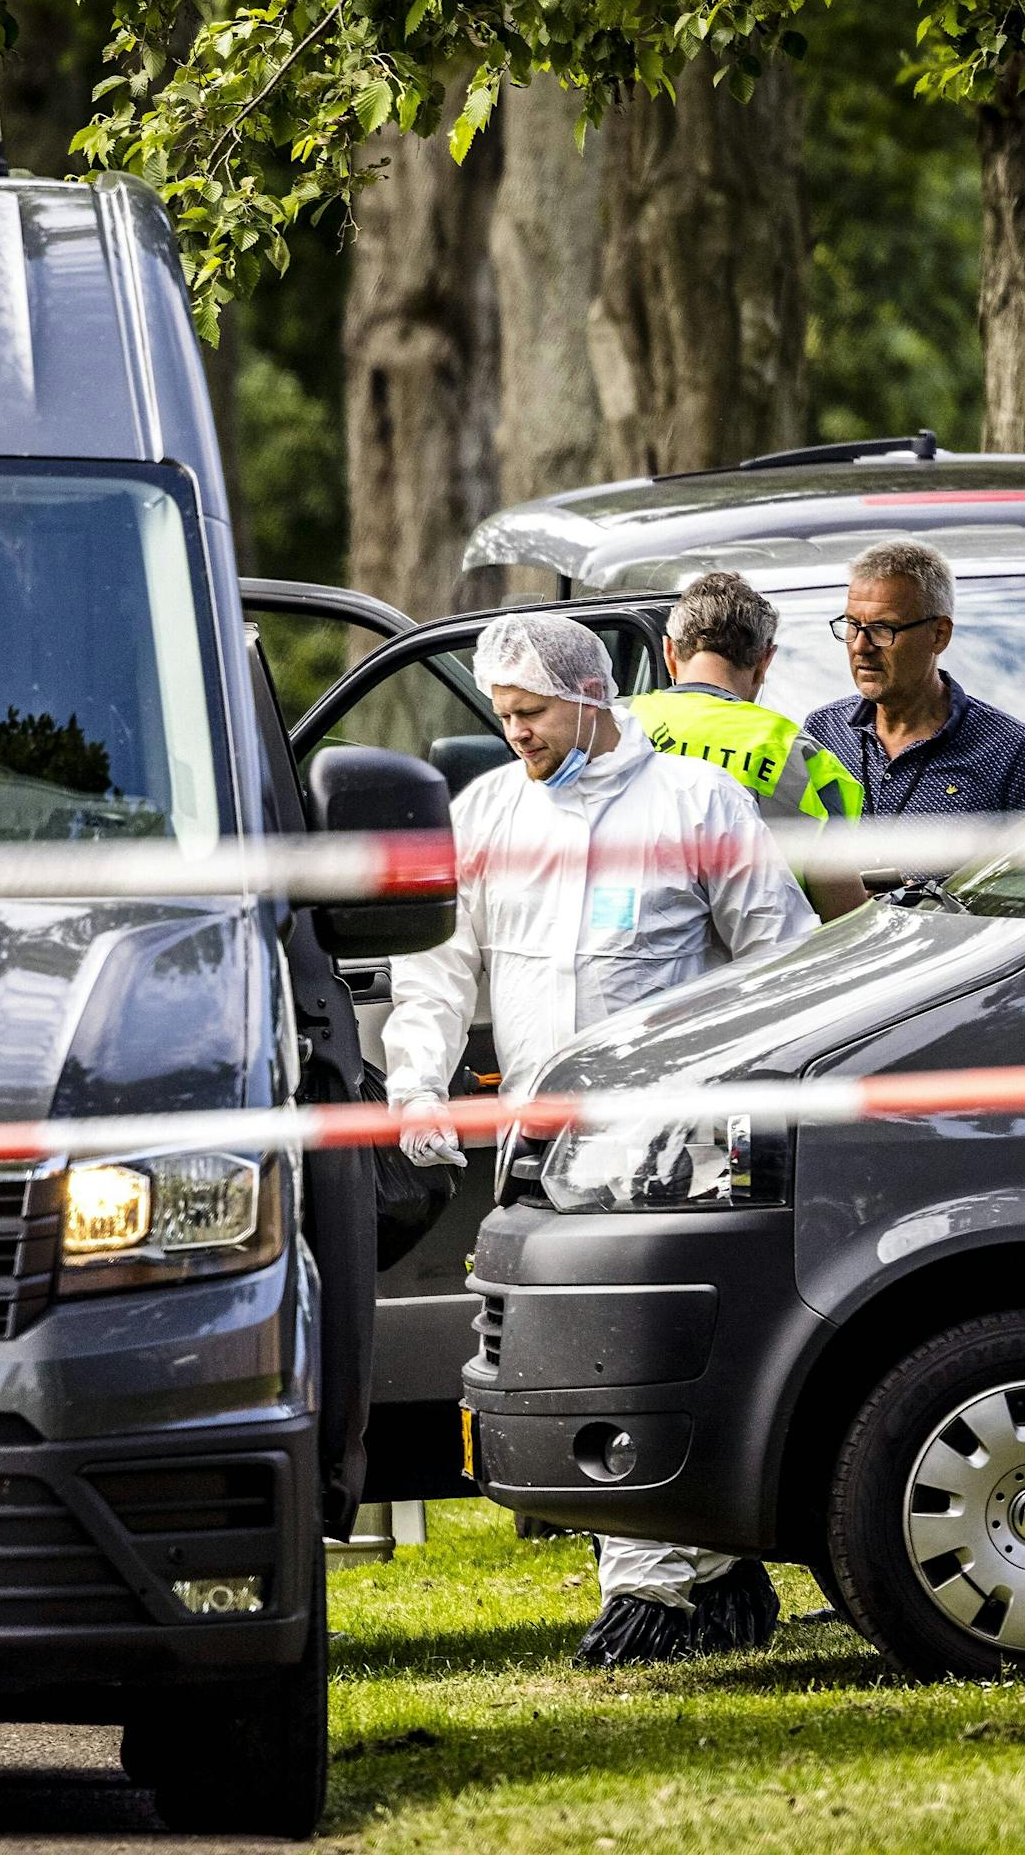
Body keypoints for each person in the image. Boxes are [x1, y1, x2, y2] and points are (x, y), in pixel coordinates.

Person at [381, 611, 816, 1666]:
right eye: (502, 712)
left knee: (635, 1357)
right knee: (570, 1362)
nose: (512, 730)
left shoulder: (693, 803)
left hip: (668, 1144)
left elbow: (780, 958)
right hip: (540, 1144)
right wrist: (414, 1082)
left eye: (527, 711)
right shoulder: (487, 811)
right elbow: (436, 969)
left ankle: (651, 1597)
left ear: (587, 696)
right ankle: (710, 1578)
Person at [628, 572, 867, 918]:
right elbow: (844, 918)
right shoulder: (799, 755)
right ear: (764, 662)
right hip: (763, 966)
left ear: (668, 651)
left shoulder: (615, 731)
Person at [803, 539, 1025, 817]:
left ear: (939, 634)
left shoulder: (1009, 752)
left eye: (883, 628)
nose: (860, 646)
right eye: (853, 625)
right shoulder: (823, 732)